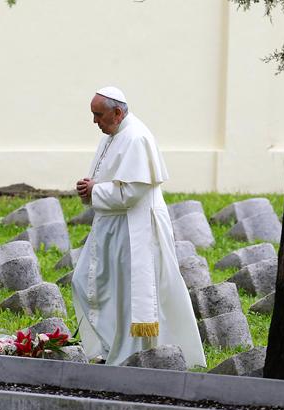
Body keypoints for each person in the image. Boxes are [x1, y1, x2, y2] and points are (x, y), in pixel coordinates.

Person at [71, 86, 206, 368]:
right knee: (86, 281)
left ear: (117, 112)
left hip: (136, 229)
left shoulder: (136, 137)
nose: (95, 121)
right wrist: (90, 189)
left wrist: (95, 190)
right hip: (112, 226)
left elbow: (131, 193)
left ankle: (129, 356)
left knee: (129, 294)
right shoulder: (113, 134)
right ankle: (112, 346)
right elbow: (107, 179)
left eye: (98, 115)